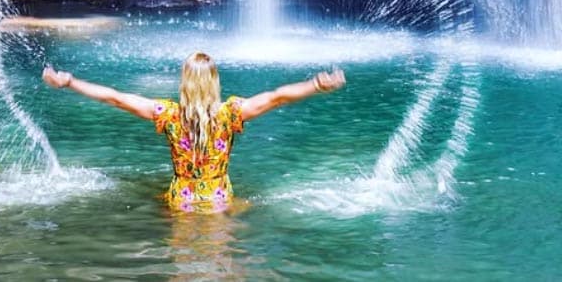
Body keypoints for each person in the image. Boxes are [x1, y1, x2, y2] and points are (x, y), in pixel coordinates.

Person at [42, 51, 346, 212]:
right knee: (223, 264)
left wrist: (70, 82)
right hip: (218, 199)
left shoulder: (169, 115)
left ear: (185, 82)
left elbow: (115, 97)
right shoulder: (231, 113)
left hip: (182, 200)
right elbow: (278, 96)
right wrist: (316, 85)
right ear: (214, 81)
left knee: (184, 266)